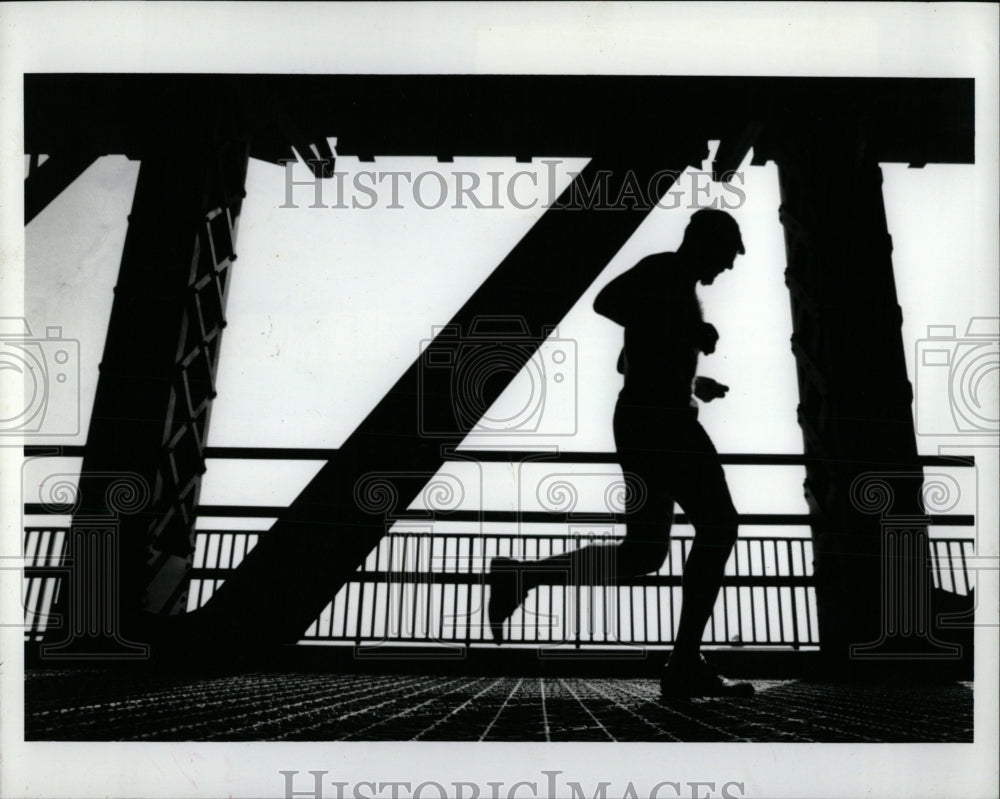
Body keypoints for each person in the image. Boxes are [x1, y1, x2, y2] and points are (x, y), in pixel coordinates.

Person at [487, 208, 754, 698]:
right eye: (727, 254)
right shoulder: (666, 272)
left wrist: (693, 378)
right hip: (662, 423)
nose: (729, 267)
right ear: (705, 242)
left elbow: (628, 358)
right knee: (719, 527)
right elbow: (606, 302)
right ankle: (684, 662)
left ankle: (523, 575)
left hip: (646, 418)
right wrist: (685, 331)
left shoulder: (674, 284)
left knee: (645, 552)